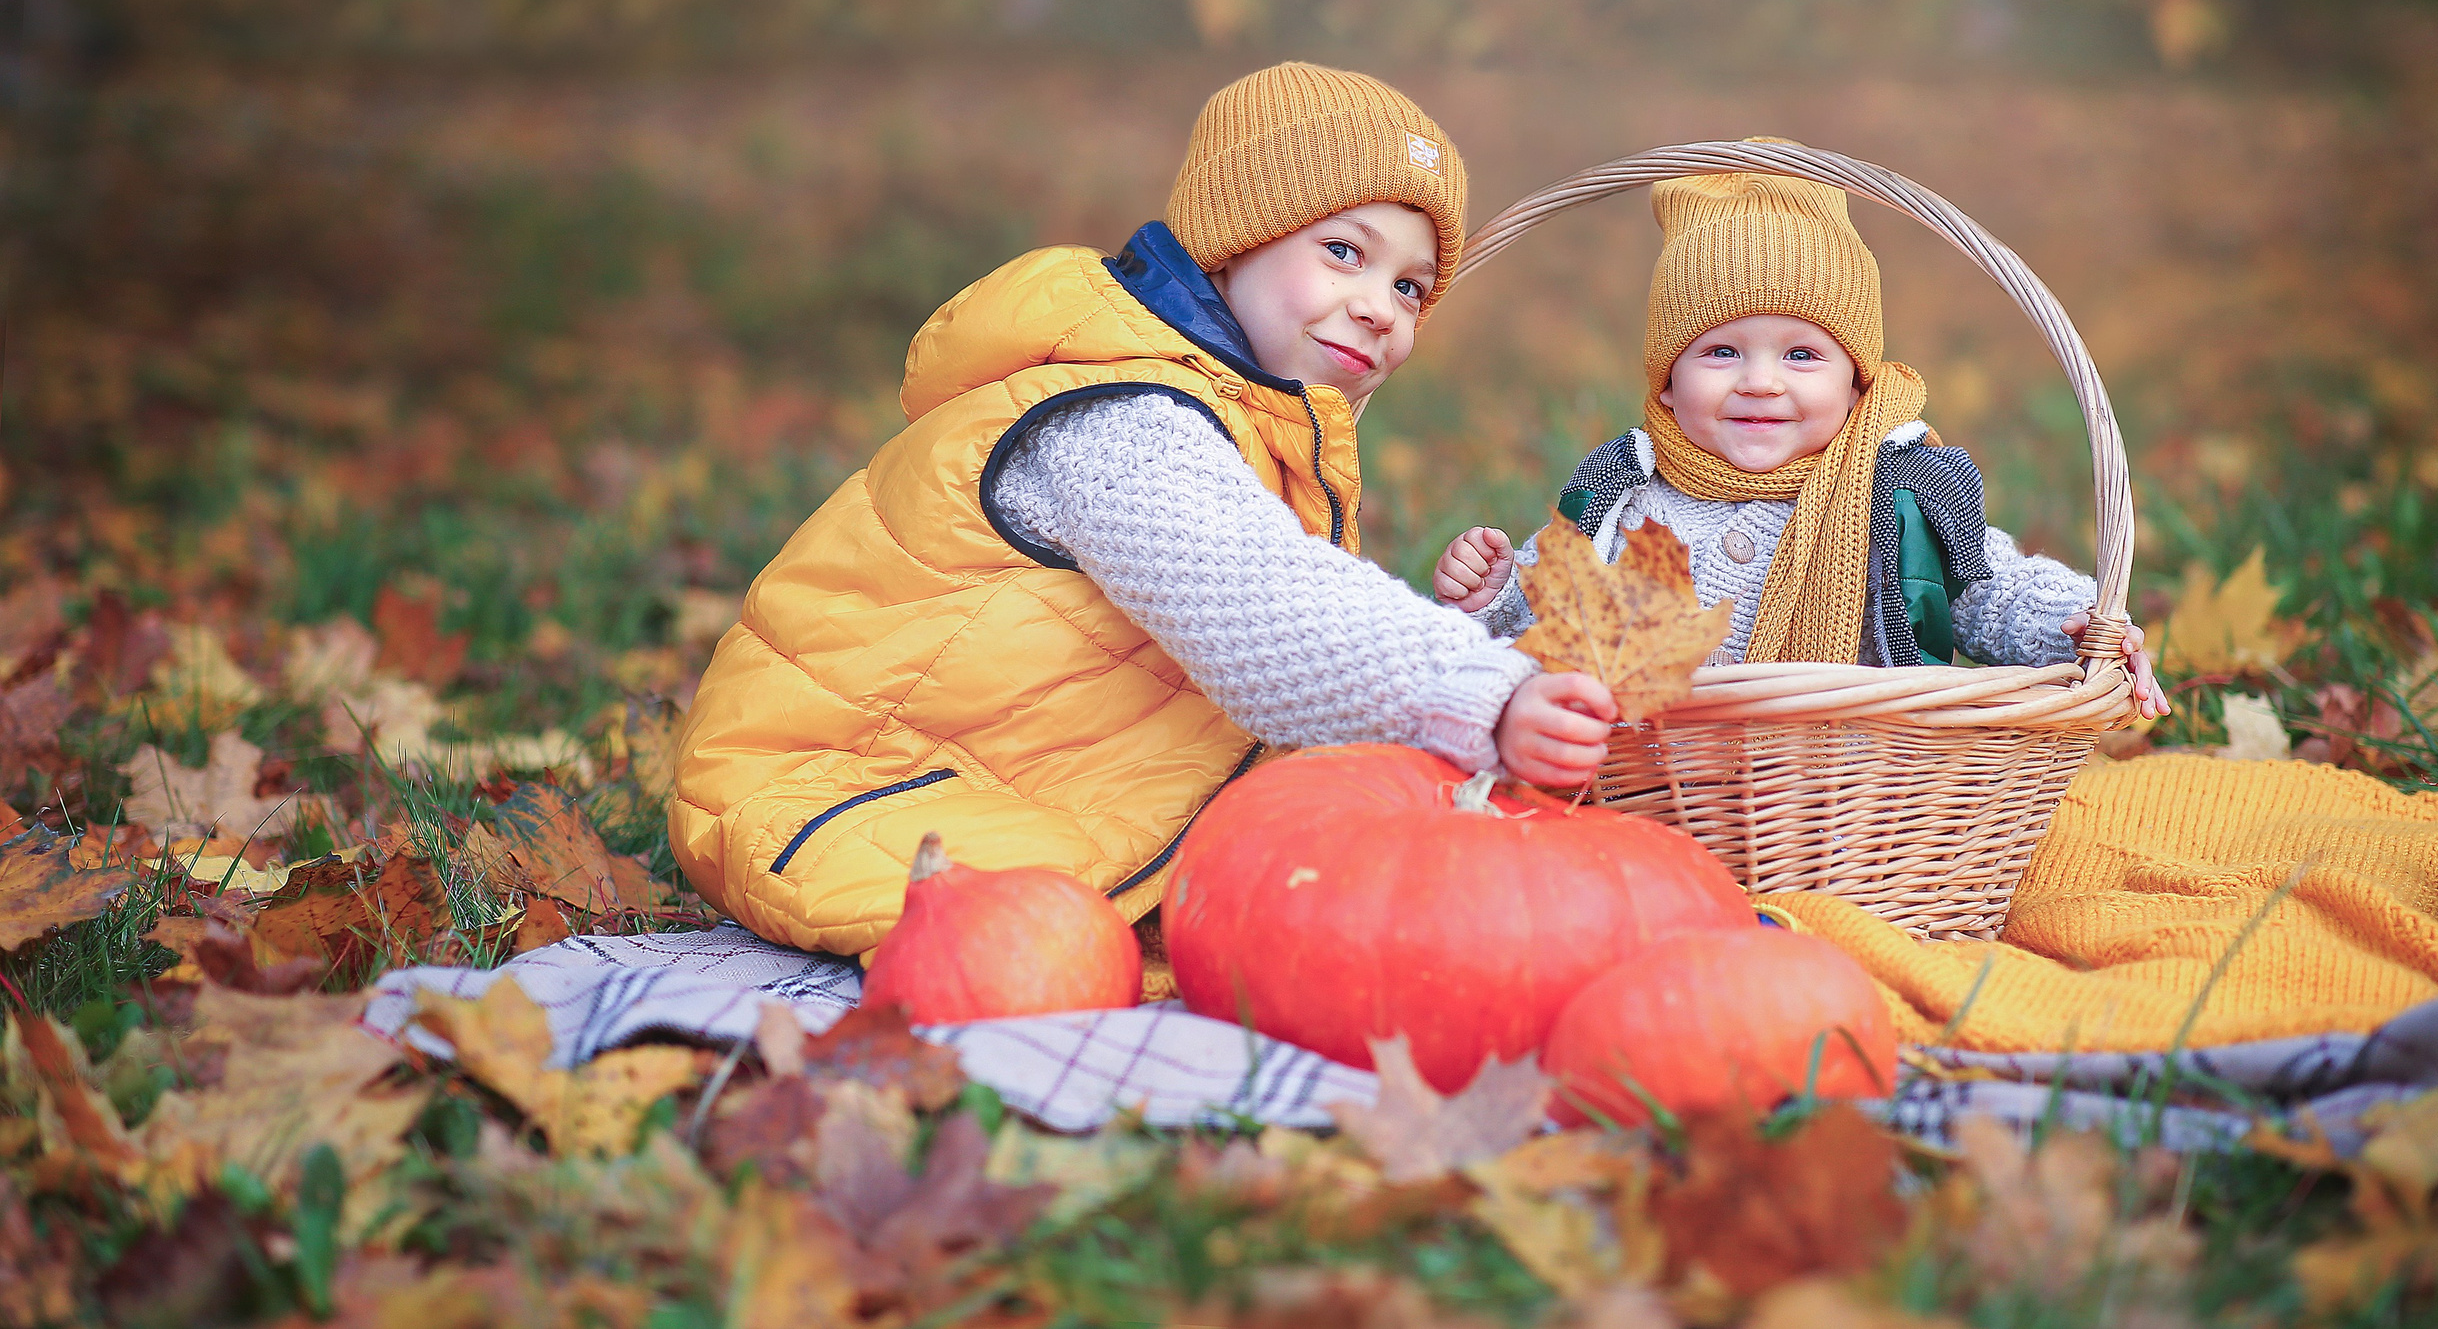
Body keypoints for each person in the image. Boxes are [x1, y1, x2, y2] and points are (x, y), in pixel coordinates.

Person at [672, 63, 1612, 957]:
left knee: (1356, 898)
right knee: (1269, 930)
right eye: (1343, 253)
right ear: (1236, 242)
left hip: (1013, 778)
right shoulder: (1124, 416)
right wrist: (1478, 693)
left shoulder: (1253, 429)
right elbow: (1261, 610)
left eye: (1409, 286)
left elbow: (1272, 679)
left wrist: (1480, 636)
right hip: (844, 794)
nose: (1381, 308)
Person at [1433, 159, 2171, 713]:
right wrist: (1492, 595)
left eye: (1802, 355)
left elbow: (1985, 587)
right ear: (1667, 383)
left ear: (1855, 383)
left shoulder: (1895, 490)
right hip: (1655, 787)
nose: (1760, 381)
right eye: (1721, 351)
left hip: (1850, 798)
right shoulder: (1629, 493)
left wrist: (2077, 622)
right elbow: (1551, 607)